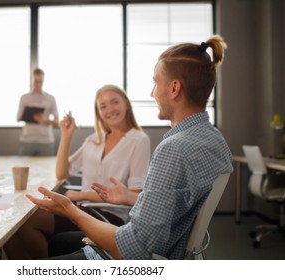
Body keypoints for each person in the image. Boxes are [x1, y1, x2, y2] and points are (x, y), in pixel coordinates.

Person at [27, 35, 234, 260]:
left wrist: (70, 210)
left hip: (133, 259)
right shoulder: (212, 139)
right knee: (56, 243)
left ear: (174, 88)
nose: (152, 93)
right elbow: (176, 201)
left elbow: (133, 249)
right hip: (167, 247)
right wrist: (130, 196)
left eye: (156, 83)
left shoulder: (173, 149)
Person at [4, 84, 151, 259]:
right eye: (103, 106)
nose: (109, 109)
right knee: (15, 227)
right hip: (80, 209)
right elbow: (62, 173)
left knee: (26, 223)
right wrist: (66, 136)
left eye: (114, 102)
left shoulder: (138, 140)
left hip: (108, 217)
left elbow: (135, 193)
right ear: (98, 112)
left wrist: (81, 195)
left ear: (126, 104)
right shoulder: (93, 140)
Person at [17, 68, 59, 156]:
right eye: (36, 81)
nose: (38, 84)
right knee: (23, 167)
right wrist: (29, 115)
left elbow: (57, 122)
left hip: (46, 141)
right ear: (31, 80)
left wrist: (45, 121)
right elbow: (18, 118)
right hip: (27, 140)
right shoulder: (24, 98)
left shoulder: (50, 98)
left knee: (47, 168)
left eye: (41, 81)